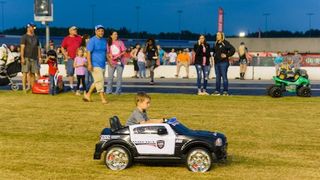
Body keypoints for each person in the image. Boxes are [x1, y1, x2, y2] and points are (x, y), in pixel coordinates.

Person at [83, 25, 107, 104]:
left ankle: (88, 95)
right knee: (100, 81)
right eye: (99, 30)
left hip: (103, 64)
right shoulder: (92, 40)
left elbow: (105, 52)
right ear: (96, 31)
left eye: (102, 31)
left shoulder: (104, 40)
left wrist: (109, 61)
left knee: (97, 81)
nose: (101, 32)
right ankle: (102, 98)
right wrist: (89, 64)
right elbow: (88, 52)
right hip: (94, 64)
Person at [212, 32, 235, 96]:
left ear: (222, 36)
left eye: (218, 35)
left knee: (224, 77)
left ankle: (225, 91)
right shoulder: (215, 43)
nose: (217, 36)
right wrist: (214, 55)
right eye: (216, 35)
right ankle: (217, 91)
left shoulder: (225, 42)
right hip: (216, 63)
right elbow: (214, 51)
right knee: (217, 77)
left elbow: (233, 50)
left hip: (224, 63)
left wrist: (227, 55)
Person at [20, 22, 41, 93]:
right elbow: (22, 48)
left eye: (34, 27)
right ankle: (24, 88)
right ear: (28, 28)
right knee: (25, 73)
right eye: (32, 27)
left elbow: (38, 48)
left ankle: (33, 88)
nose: (33, 28)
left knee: (33, 73)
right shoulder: (24, 37)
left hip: (34, 58)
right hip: (26, 57)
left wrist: (40, 57)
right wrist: (22, 57)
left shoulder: (36, 37)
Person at [61, 26, 82, 91]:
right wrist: (66, 56)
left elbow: (83, 46)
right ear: (70, 31)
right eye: (74, 30)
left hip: (79, 58)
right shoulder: (66, 38)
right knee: (70, 72)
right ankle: (71, 86)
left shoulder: (79, 38)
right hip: (71, 58)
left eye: (76, 30)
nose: (75, 31)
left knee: (80, 72)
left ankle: (80, 86)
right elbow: (62, 48)